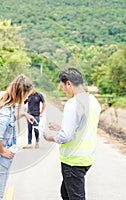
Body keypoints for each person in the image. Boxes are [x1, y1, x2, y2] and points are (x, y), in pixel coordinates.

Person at [43, 68, 101, 200]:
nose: (63, 89)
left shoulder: (73, 104)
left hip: (73, 161)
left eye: (62, 86)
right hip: (86, 159)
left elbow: (65, 137)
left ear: (68, 83)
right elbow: (82, 126)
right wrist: (60, 127)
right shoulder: (93, 101)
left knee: (75, 197)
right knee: (65, 193)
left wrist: (49, 137)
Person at [0, 74, 36, 200]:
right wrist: (3, 151)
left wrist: (24, 115)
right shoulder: (5, 113)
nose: (27, 98)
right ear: (21, 93)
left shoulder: (7, 105)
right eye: (27, 95)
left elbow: (9, 122)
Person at [23, 85, 46, 149]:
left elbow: (44, 103)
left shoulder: (39, 95)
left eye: (32, 88)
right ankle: (29, 143)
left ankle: (37, 141)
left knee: (36, 129)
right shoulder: (29, 96)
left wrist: (41, 112)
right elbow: (24, 103)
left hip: (36, 115)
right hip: (29, 115)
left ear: (34, 88)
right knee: (29, 129)